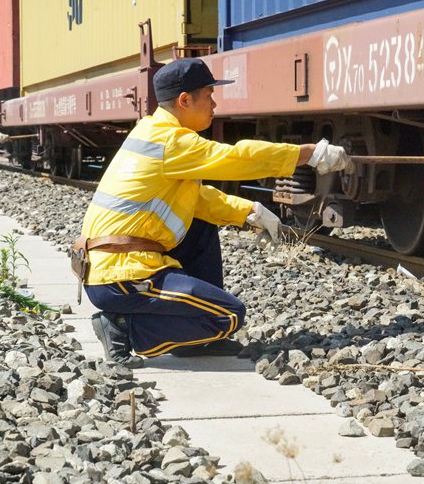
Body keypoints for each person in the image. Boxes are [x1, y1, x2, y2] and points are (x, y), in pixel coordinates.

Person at [76, 58, 350, 367]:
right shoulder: (170, 141)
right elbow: (235, 158)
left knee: (202, 226)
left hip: (110, 266)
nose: (214, 103)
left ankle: (196, 340)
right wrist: (308, 154)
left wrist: (249, 211)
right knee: (229, 315)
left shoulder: (154, 131)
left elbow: (195, 198)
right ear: (184, 100)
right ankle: (122, 329)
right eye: (208, 95)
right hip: (121, 276)